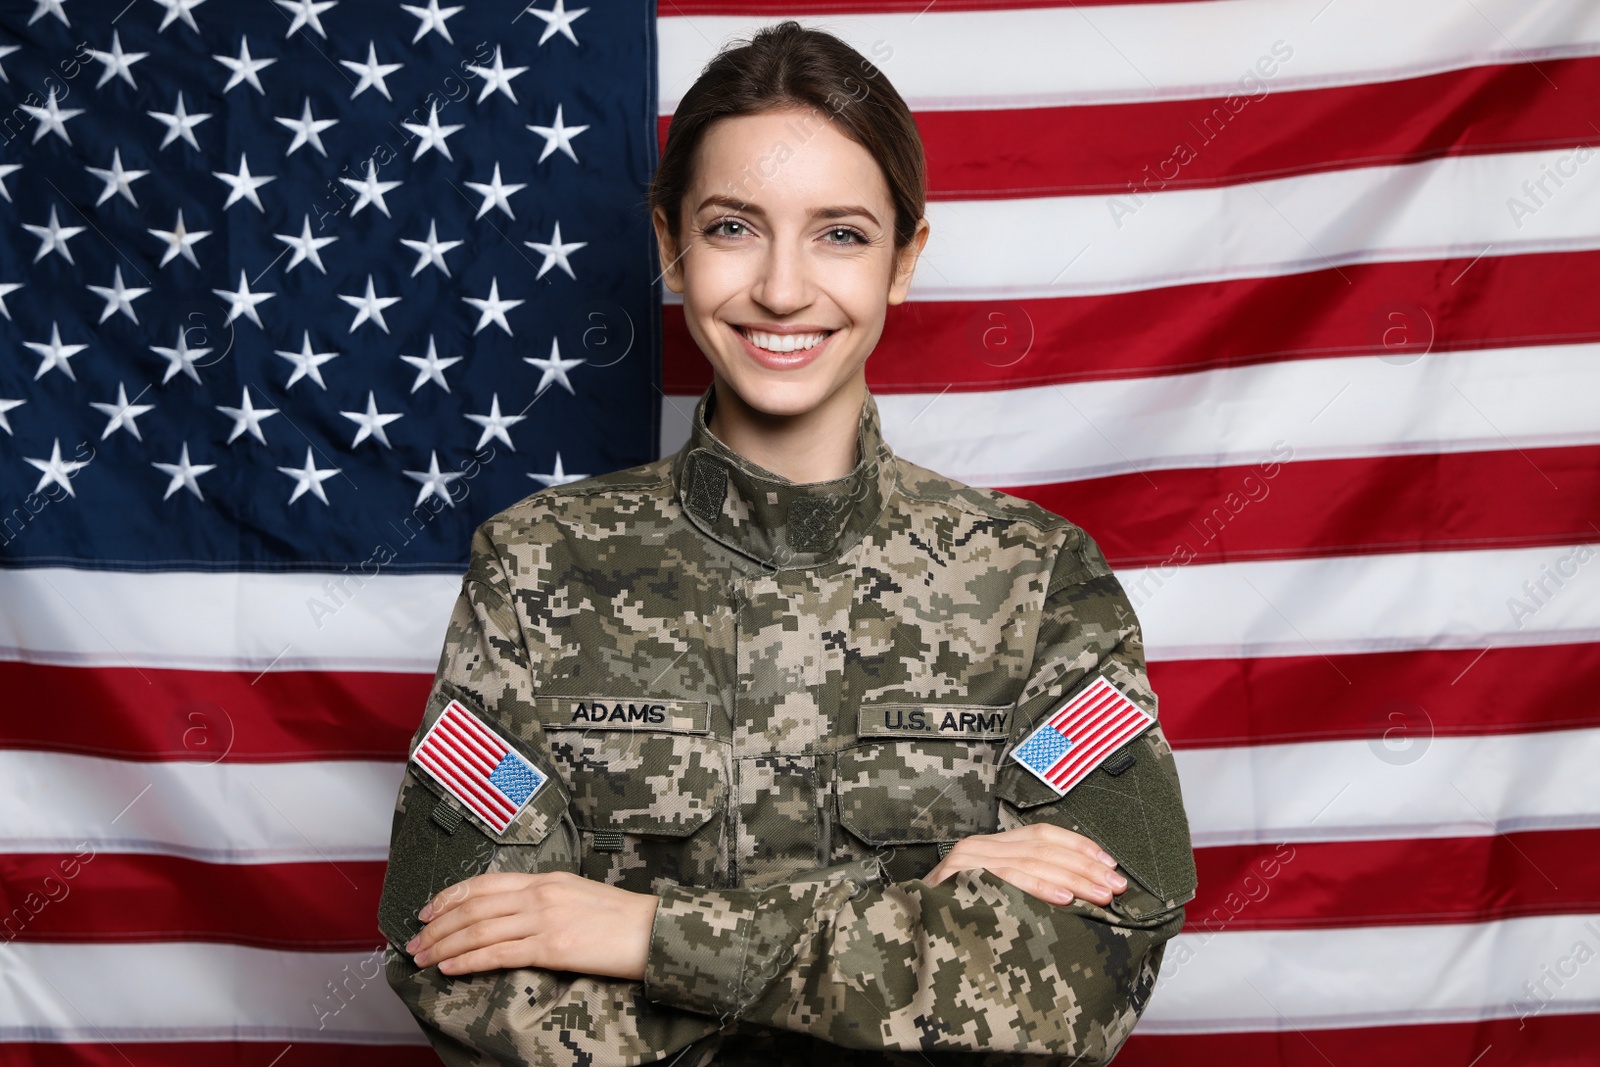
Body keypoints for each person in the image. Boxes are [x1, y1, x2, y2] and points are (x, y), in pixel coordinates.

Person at [378, 20, 1197, 1066]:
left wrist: (643, 933)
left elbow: (1076, 980)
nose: (780, 288)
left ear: (905, 260)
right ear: (669, 242)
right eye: (731, 227)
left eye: (841, 234)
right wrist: (913, 916)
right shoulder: (534, 571)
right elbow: (456, 962)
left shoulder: (1037, 582)